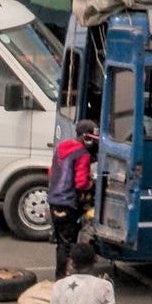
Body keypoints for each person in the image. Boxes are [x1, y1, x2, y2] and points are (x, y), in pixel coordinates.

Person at [46, 120, 99, 279]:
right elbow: (81, 182)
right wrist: (92, 184)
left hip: (54, 200)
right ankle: (63, 279)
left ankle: (60, 277)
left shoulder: (61, 148)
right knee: (68, 245)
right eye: (91, 139)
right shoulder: (82, 154)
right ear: (84, 137)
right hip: (68, 203)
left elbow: (51, 172)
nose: (93, 142)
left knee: (61, 244)